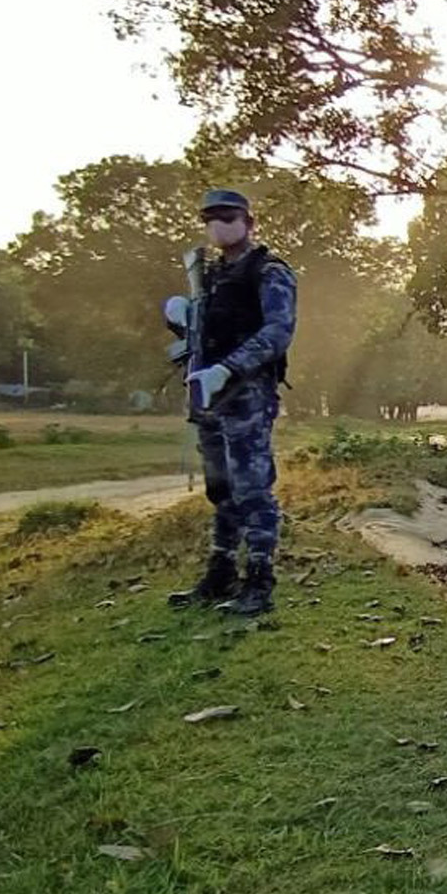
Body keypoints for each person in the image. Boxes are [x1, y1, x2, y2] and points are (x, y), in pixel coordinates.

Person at [166, 189, 297, 616]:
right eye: (210, 218)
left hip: (247, 394)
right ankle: (220, 571)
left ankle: (260, 579)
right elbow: (203, 332)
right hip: (208, 394)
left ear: (248, 221)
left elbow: (278, 332)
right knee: (220, 489)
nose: (218, 225)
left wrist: (230, 368)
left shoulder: (269, 272)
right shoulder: (212, 277)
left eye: (227, 216)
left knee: (252, 489)